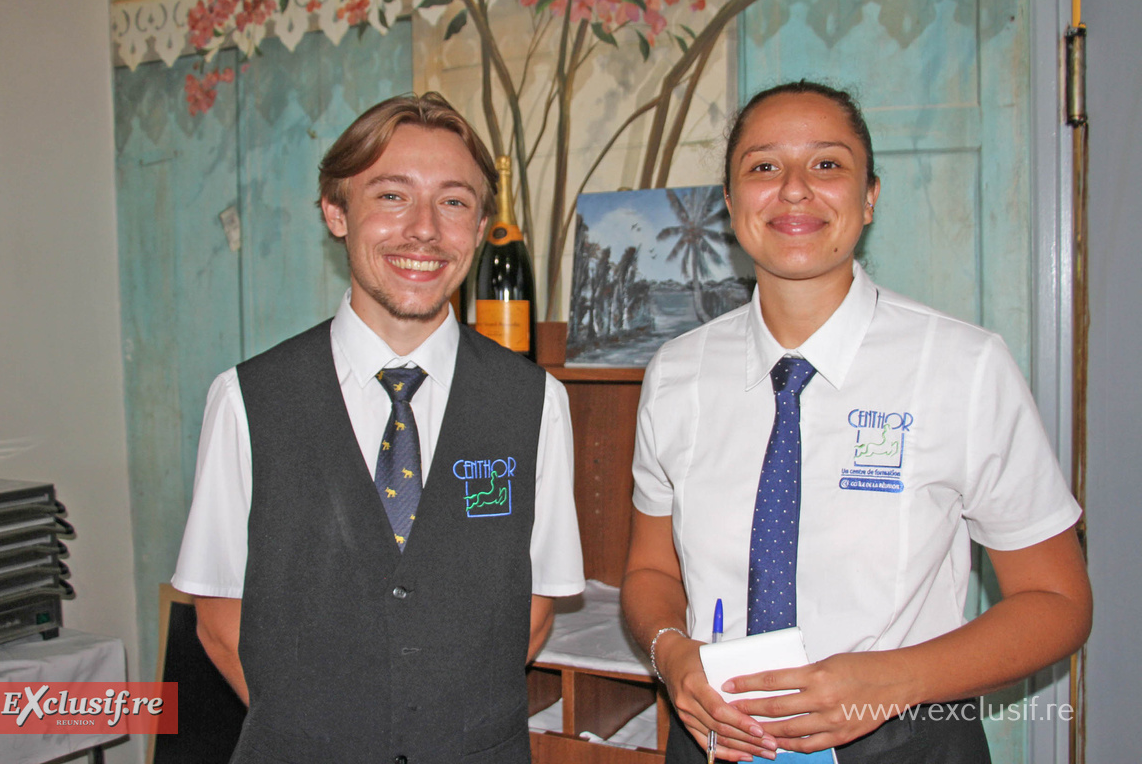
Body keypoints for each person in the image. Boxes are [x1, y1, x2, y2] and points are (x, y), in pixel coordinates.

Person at [620, 81, 1092, 763]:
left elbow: (1057, 600)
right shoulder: (676, 374)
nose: (793, 190)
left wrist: (884, 682)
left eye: (827, 164)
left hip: (907, 738)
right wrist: (672, 655)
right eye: (763, 167)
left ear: (869, 197)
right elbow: (650, 571)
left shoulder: (963, 366)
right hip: (715, 742)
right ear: (728, 205)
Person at [171, 92, 585, 763]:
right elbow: (220, 623)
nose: (424, 229)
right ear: (337, 212)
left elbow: (532, 614)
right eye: (392, 196)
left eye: (453, 202)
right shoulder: (246, 399)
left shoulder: (535, 402)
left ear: (480, 228)